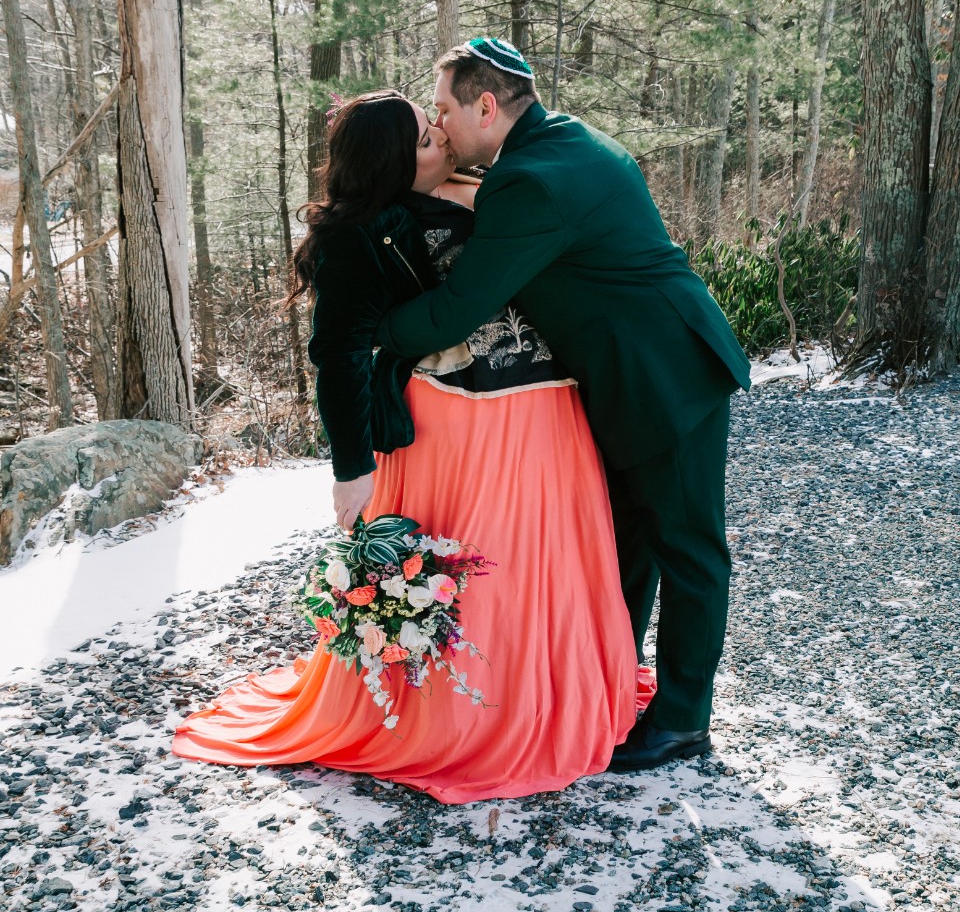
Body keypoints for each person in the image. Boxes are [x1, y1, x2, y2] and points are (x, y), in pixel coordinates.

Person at [172, 90, 643, 803]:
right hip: (461, 426)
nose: (444, 143)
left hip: (551, 407)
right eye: (426, 142)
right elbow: (338, 353)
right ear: (393, 168)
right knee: (487, 570)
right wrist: (351, 469)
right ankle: (471, 720)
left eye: (435, 128)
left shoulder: (496, 179)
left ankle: (557, 696)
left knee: (551, 560)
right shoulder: (368, 231)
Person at [374, 39, 751, 773]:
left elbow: (455, 311)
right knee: (629, 542)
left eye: (445, 109)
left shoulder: (532, 183)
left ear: (486, 106)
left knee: (689, 548)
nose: (440, 126)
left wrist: (369, 334)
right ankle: (611, 684)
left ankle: (682, 720)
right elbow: (494, 193)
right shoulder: (562, 139)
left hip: (666, 374)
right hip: (633, 370)